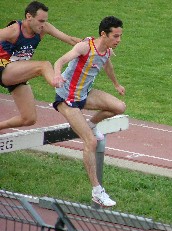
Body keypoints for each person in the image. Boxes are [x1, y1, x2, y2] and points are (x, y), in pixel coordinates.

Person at [52, 16, 126, 207]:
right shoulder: (84, 47)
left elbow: (107, 65)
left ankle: (91, 125)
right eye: (115, 36)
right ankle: (97, 191)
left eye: (120, 36)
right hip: (67, 99)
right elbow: (60, 60)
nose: (119, 40)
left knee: (119, 107)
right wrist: (57, 75)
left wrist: (116, 84)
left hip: (84, 95)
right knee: (91, 142)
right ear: (104, 34)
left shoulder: (107, 51)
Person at [0, 1, 80, 131]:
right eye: (40, 21)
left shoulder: (44, 28)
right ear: (29, 17)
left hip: (18, 73)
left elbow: (70, 39)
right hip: (3, 69)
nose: (42, 25)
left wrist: (92, 45)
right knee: (44, 65)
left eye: (45, 21)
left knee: (29, 118)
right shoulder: (13, 31)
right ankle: (61, 88)